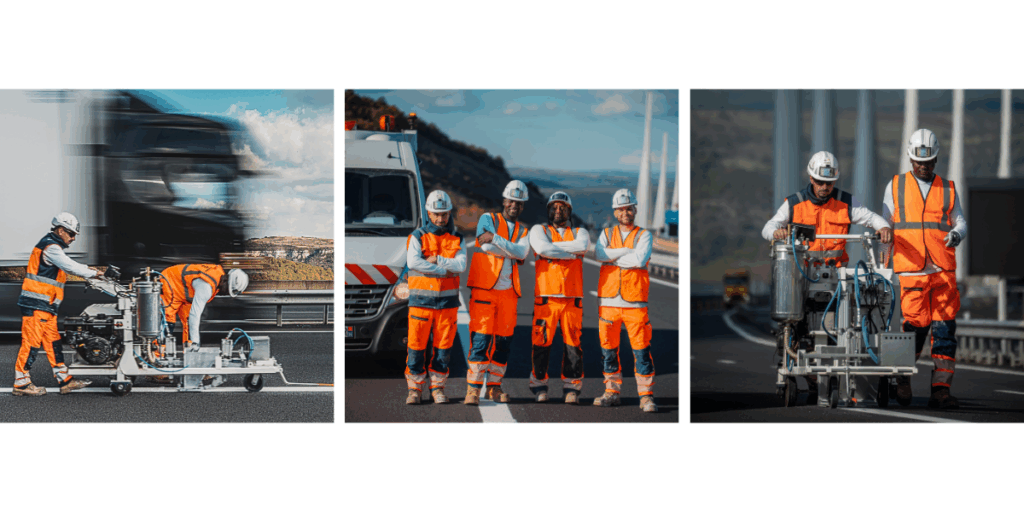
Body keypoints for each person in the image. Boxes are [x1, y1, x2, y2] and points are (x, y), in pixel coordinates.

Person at [761, 150, 893, 404]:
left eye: (829, 183)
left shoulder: (846, 202)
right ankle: (804, 370)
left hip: (835, 277)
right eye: (820, 182)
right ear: (811, 178)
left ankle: (838, 371)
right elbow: (769, 226)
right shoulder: (794, 203)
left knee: (841, 325)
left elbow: (870, 217)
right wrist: (776, 233)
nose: (824, 188)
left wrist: (883, 227)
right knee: (796, 327)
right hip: (801, 276)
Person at [882, 128, 966, 410]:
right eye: (920, 162)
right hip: (911, 270)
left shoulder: (948, 187)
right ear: (910, 159)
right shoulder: (895, 186)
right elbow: (886, 227)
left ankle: (941, 390)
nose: (924, 166)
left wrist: (956, 235)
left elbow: (960, 222)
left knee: (944, 331)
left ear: (936, 160)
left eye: (929, 162)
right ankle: (901, 379)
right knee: (912, 329)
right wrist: (884, 266)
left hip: (942, 270)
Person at [13, 212, 98, 396]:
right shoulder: (51, 247)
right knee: (31, 344)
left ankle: (64, 380)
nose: (74, 238)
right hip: (36, 305)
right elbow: (70, 266)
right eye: (71, 233)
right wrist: (93, 273)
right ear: (60, 230)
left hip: (47, 307)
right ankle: (21, 383)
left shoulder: (53, 247)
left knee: (53, 343)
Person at [464, 180, 530, 405]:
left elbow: (522, 253)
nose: (515, 205)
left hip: (509, 294)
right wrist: (509, 250)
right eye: (511, 200)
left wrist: (497, 239)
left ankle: (494, 387)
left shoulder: (523, 230)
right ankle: (473, 389)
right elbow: (485, 247)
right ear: (504, 200)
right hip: (485, 290)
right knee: (481, 341)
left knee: (503, 344)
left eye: (519, 203)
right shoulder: (487, 219)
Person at [594, 189, 658, 413]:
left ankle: (646, 396)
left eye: (629, 209)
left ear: (635, 210)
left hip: (635, 303)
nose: (626, 213)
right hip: (609, 302)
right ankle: (612, 392)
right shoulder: (606, 233)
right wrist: (625, 253)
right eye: (621, 209)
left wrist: (614, 255)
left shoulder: (644, 235)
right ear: (615, 212)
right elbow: (600, 255)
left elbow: (640, 260)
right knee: (608, 351)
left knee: (641, 351)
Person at [404, 190, 466, 405]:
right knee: (416, 348)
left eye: (445, 214)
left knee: (443, 351)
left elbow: (461, 265)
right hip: (421, 303)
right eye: (436, 214)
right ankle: (415, 390)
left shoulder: (458, 238)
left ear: (449, 214)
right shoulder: (417, 237)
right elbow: (413, 263)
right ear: (429, 213)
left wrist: (435, 259)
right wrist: (442, 270)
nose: (441, 219)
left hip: (447, 305)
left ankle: (438, 388)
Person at [528, 191, 590, 404]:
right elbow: (541, 248)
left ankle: (571, 388)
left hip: (573, 297)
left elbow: (582, 247)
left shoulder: (580, 232)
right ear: (548, 210)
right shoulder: (539, 230)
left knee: (573, 344)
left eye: (562, 207)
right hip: (546, 296)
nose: (557, 211)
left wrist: (552, 251)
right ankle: (539, 385)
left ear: (569, 211)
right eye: (554, 207)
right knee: (541, 343)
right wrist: (569, 253)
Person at [159, 263, 249, 350]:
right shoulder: (206, 287)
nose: (225, 294)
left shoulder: (217, 276)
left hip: (184, 292)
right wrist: (196, 342)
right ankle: (157, 355)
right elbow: (195, 314)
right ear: (225, 281)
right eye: (227, 291)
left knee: (189, 323)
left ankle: (189, 353)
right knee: (167, 319)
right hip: (170, 281)